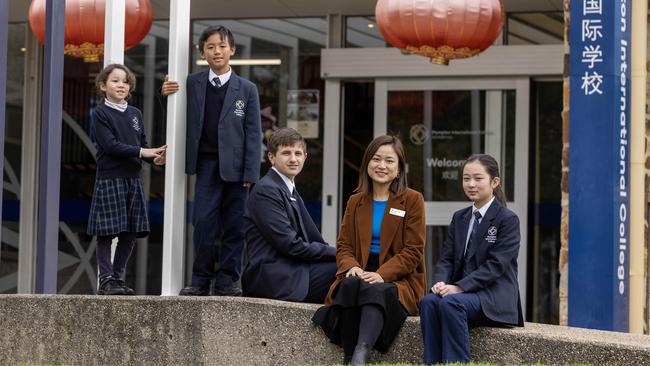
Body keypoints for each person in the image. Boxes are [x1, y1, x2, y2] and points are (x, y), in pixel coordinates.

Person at [163, 25, 262, 296]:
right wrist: (166, 95)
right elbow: (176, 115)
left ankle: (228, 281)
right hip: (206, 164)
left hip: (238, 169)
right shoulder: (192, 82)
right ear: (202, 52)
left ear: (232, 50)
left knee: (235, 225)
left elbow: (254, 133)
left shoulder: (247, 88)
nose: (216, 51)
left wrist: (250, 173)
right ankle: (200, 279)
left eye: (221, 46)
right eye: (210, 47)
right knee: (203, 222)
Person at [313, 135, 426, 365]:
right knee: (351, 284)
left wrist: (381, 275)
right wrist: (352, 266)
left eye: (389, 161)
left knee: (375, 290)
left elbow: (413, 251)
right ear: (367, 164)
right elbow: (344, 245)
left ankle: (361, 354)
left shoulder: (413, 200)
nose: (382, 166)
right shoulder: (356, 201)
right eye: (376, 159)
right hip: (361, 269)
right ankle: (349, 357)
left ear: (399, 168)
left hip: (398, 278)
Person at [419, 154, 523, 365]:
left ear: (494, 182)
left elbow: (496, 265)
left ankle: (457, 363)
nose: (471, 184)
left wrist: (460, 287)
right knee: (429, 301)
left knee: (451, 303)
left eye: (478, 178)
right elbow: (447, 258)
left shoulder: (507, 219)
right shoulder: (460, 217)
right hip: (462, 295)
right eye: (466, 179)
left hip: (492, 297)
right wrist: (440, 282)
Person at [88, 64, 167, 295]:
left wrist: (156, 159)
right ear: (103, 86)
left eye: (124, 81)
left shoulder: (135, 114)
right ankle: (106, 279)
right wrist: (143, 152)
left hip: (133, 179)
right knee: (106, 232)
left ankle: (117, 276)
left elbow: (142, 144)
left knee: (130, 231)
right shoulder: (100, 113)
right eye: (115, 81)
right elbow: (110, 145)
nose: (121, 85)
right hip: (110, 178)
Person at [242, 128, 336, 303]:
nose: (293, 159)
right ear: (271, 157)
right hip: (275, 278)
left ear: (305, 157)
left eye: (298, 153)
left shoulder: (287, 188)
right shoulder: (267, 190)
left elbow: (311, 238)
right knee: (347, 273)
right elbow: (290, 245)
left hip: (294, 269)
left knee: (354, 272)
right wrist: (337, 254)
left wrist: (345, 255)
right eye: (286, 153)